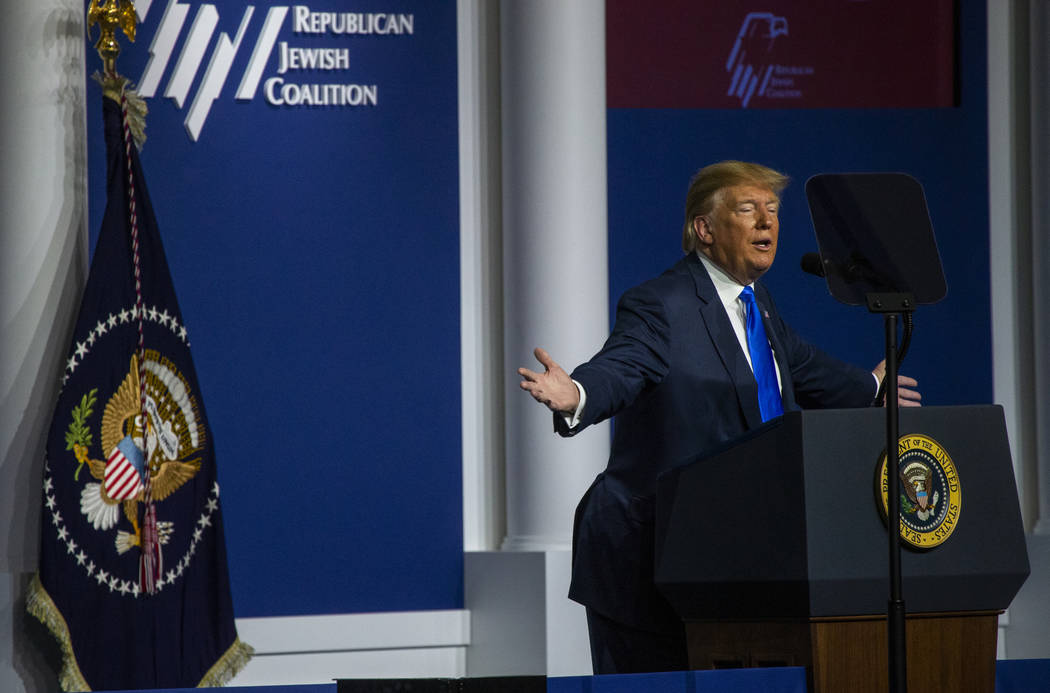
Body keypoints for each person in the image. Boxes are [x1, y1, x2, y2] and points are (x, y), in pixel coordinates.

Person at [517, 160, 921, 675]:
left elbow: (803, 366)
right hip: (648, 560)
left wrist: (872, 387)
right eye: (749, 210)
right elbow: (624, 364)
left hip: (734, 557)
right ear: (704, 230)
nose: (766, 223)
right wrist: (576, 392)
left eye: (773, 212)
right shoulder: (660, 304)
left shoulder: (760, 307)